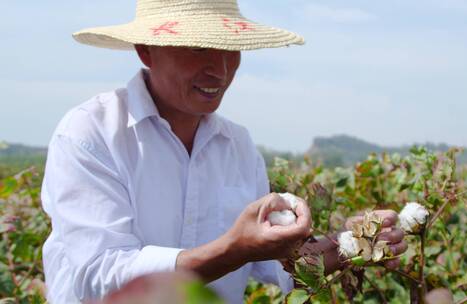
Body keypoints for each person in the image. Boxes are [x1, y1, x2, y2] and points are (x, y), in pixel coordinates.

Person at [41, 0, 407, 303]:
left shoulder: (239, 147)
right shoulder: (90, 133)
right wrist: (233, 249)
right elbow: (102, 278)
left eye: (230, 49)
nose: (219, 69)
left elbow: (276, 265)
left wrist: (350, 244)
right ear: (146, 51)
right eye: (199, 48)